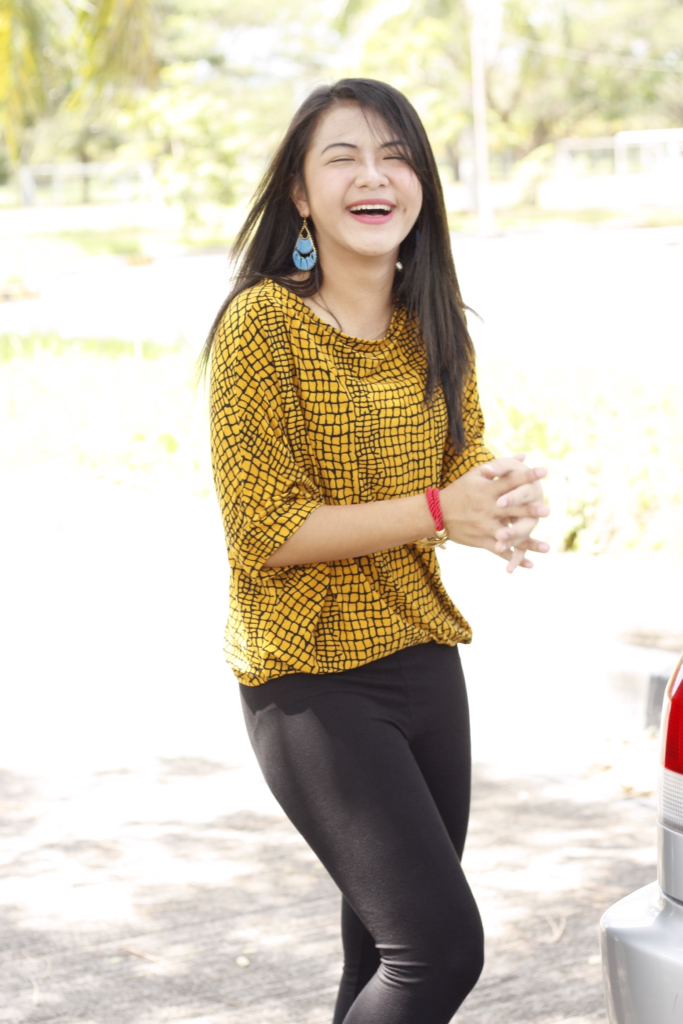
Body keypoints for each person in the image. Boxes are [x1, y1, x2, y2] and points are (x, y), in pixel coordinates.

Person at [201, 78, 549, 1024]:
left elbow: (458, 458)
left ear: (421, 184)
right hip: (309, 676)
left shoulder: (433, 322)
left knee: (381, 956)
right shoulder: (261, 325)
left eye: (395, 157)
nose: (374, 176)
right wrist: (440, 510)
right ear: (300, 194)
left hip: (423, 659)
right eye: (343, 157)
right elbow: (265, 529)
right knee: (436, 953)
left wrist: (499, 499)